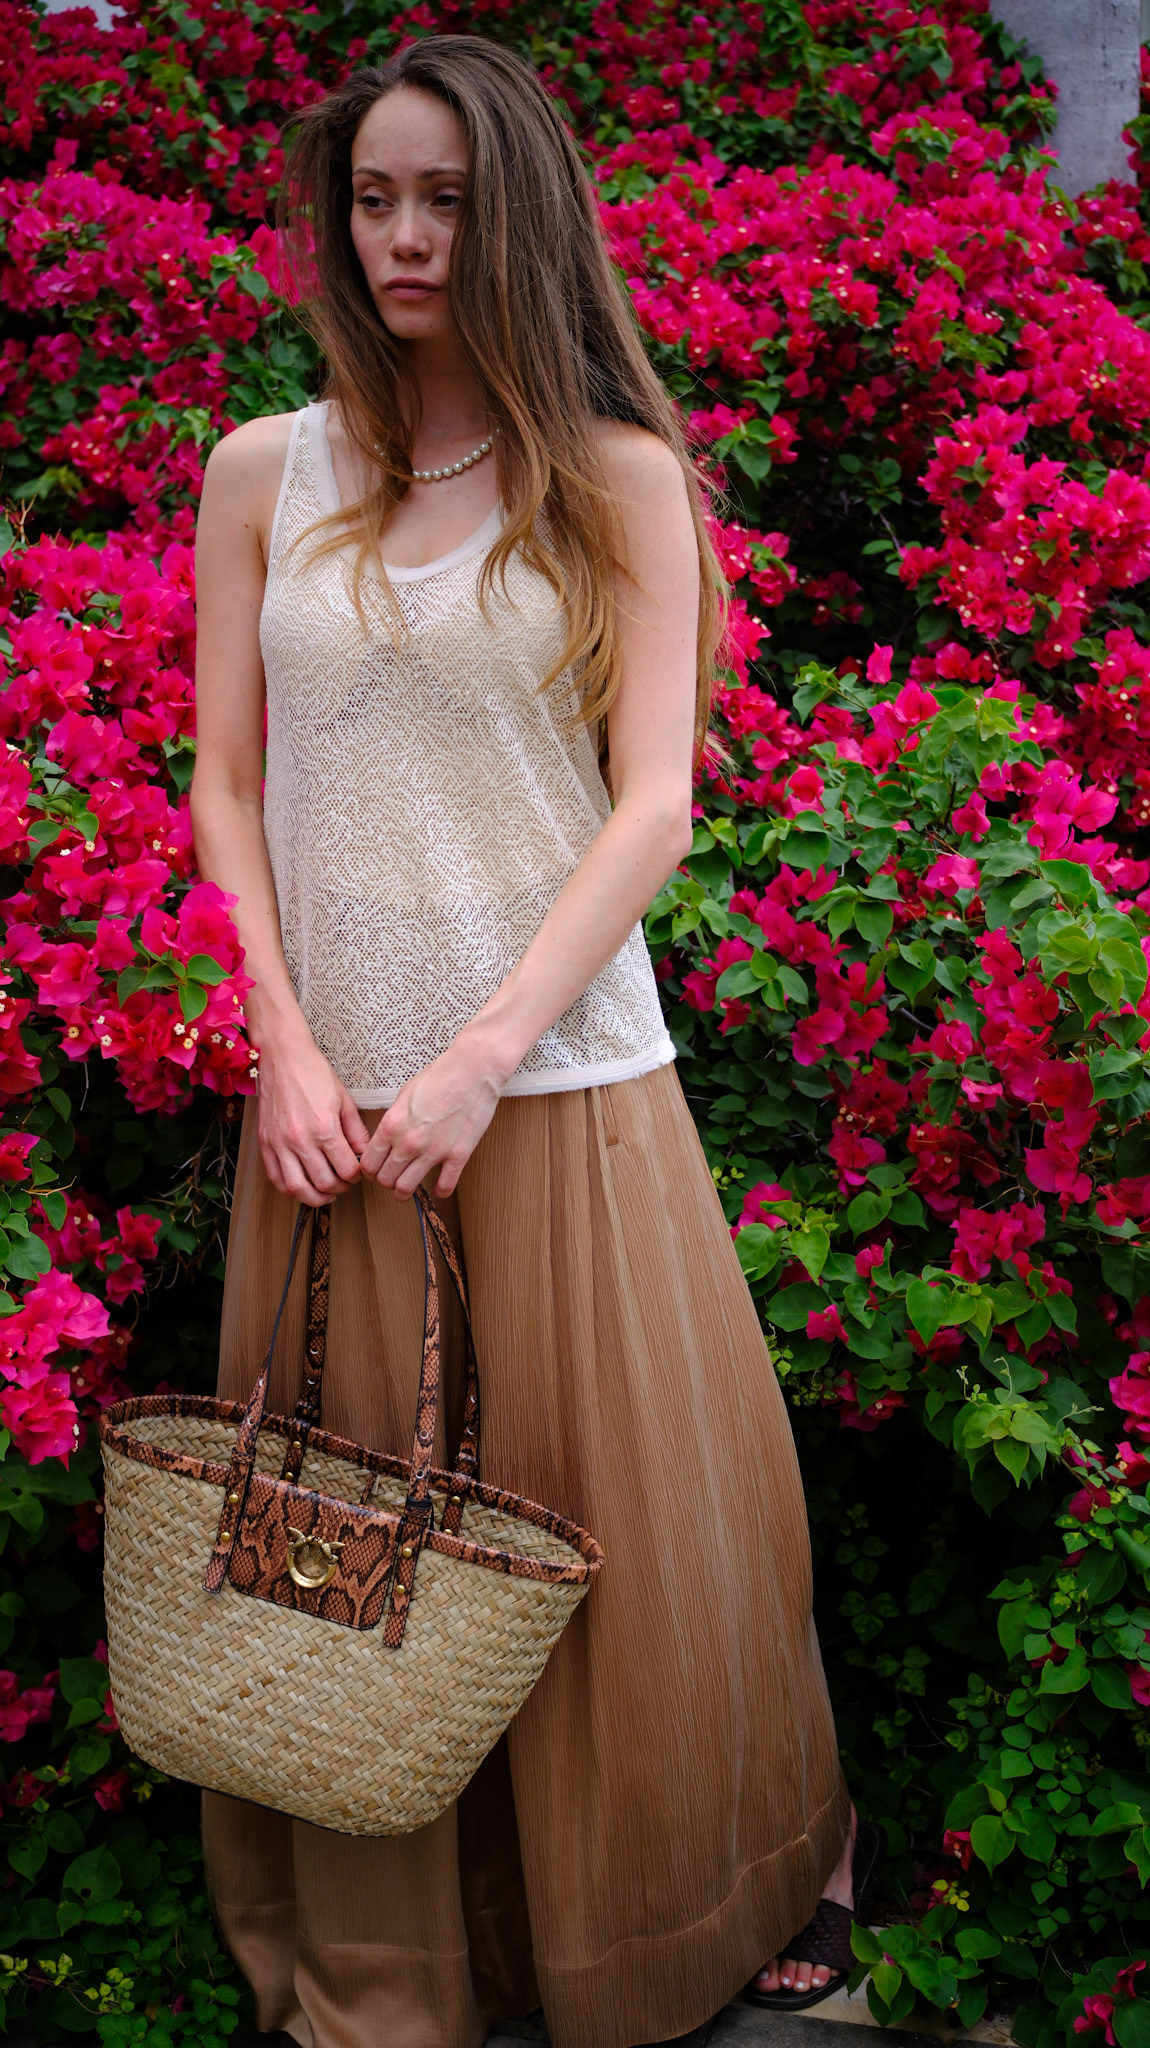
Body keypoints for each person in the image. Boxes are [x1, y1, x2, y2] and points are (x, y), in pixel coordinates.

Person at [190, 34, 875, 2048]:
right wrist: (282, 1039)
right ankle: (413, 1956)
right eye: (372, 200)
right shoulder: (263, 470)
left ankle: (701, 1898)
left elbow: (650, 803)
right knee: (353, 1556)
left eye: (447, 201)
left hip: (554, 1088)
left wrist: (485, 1048)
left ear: (521, 221)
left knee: (623, 1557)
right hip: (329, 1117)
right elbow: (225, 785)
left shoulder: (616, 477)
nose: (402, 237)